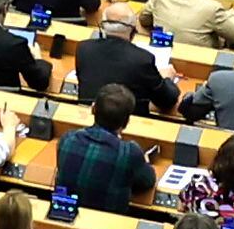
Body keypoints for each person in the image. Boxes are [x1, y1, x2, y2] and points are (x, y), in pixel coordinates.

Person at [53, 84, 158, 214]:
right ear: (126, 122)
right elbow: (147, 182)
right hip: (107, 225)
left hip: (65, 216)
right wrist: (143, 162)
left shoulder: (67, 139)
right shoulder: (129, 153)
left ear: (93, 109)